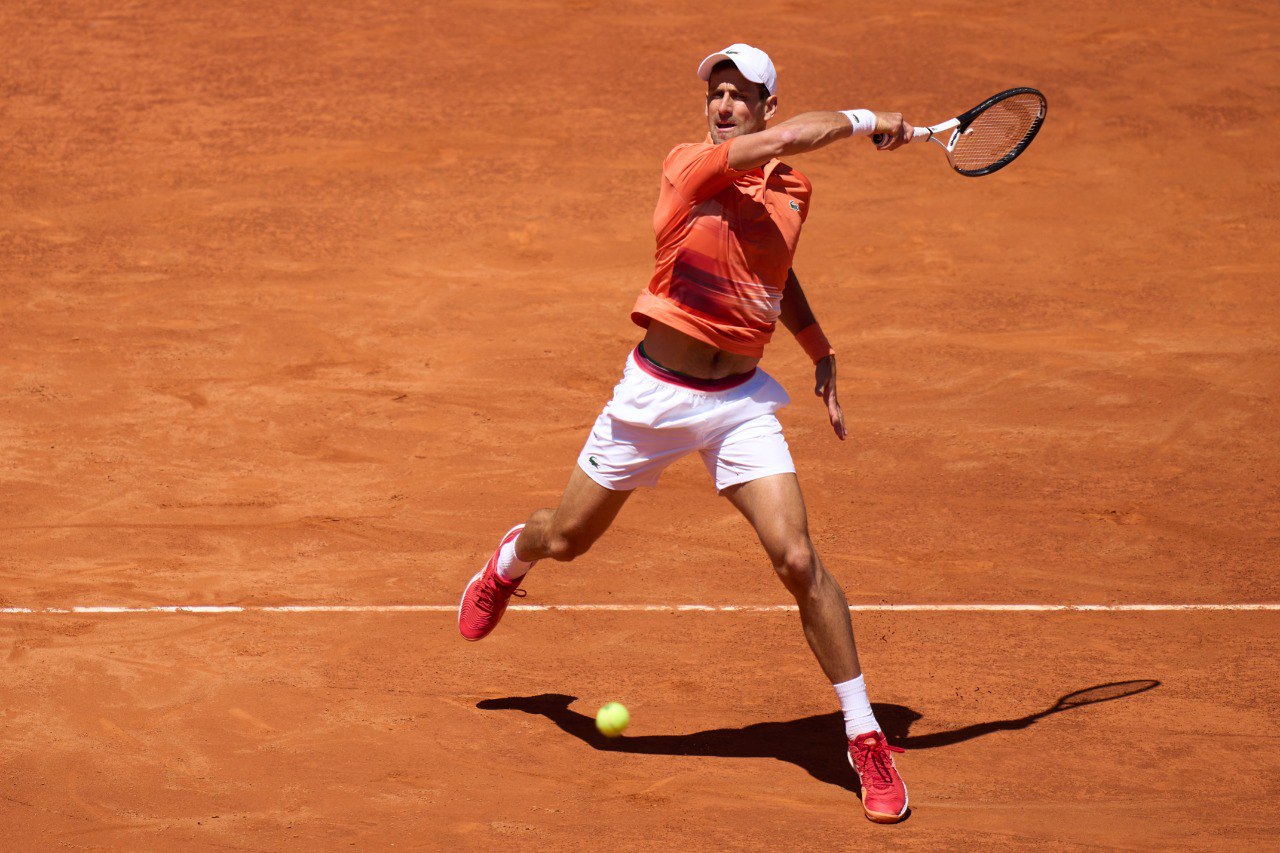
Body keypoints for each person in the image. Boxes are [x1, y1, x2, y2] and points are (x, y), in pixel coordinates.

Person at [459, 43, 914, 824]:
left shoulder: (795, 191)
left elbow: (777, 270)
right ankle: (511, 558)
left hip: (738, 400)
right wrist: (872, 121)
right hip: (653, 401)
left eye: (742, 95)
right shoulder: (688, 167)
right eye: (718, 94)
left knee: (798, 556)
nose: (726, 105)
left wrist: (819, 349)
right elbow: (780, 145)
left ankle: (863, 732)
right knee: (567, 539)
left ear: (769, 102)